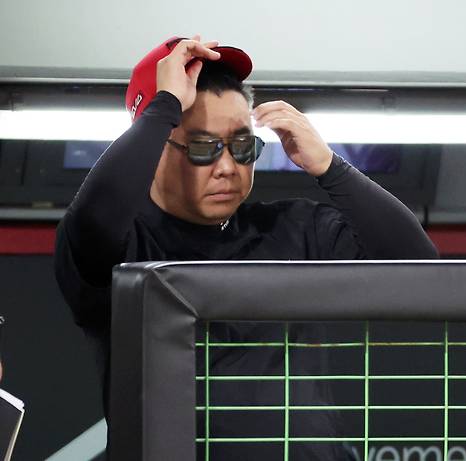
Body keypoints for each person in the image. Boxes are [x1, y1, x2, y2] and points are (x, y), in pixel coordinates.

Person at [54, 35, 438, 459]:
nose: (226, 167)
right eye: (202, 148)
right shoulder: (122, 246)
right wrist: (164, 105)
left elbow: (421, 271)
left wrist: (331, 167)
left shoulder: (294, 229)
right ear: (153, 145)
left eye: (241, 146)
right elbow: (96, 215)